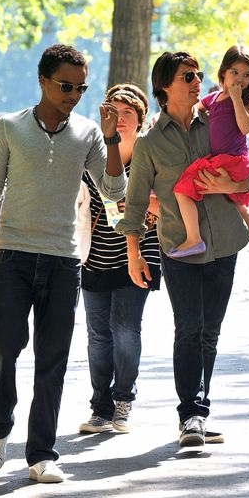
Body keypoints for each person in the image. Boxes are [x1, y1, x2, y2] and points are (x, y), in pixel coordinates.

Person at [0, 44, 127, 483]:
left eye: (81, 87)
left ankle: (41, 454)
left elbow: (113, 191)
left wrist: (111, 139)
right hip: (11, 255)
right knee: (2, 348)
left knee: (51, 359)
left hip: (62, 261)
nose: (73, 94)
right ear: (43, 80)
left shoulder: (90, 133)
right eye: (65, 85)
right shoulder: (10, 127)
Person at [116, 51, 249, 448]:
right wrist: (133, 252)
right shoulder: (148, 141)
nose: (197, 80)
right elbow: (133, 204)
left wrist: (238, 186)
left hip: (226, 243)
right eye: (188, 76)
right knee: (190, 328)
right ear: (165, 85)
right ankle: (192, 414)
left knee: (209, 333)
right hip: (178, 249)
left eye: (198, 74)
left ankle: (199, 411)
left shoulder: (215, 116)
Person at [79, 84, 161, 435]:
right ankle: (100, 407)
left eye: (128, 112)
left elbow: (170, 200)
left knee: (125, 330)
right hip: (95, 254)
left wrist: (146, 204)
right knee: (98, 335)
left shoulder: (151, 154)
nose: (120, 118)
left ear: (141, 120)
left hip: (140, 253)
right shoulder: (91, 153)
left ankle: (123, 399)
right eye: (114, 111)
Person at [169, 45, 249, 276]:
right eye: (235, 72)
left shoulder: (244, 102)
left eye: (247, 75)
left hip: (232, 161)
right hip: (226, 161)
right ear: (223, 72)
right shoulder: (213, 98)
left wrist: (237, 99)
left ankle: (194, 239)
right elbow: (192, 111)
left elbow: (245, 127)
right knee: (241, 205)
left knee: (182, 189)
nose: (240, 78)